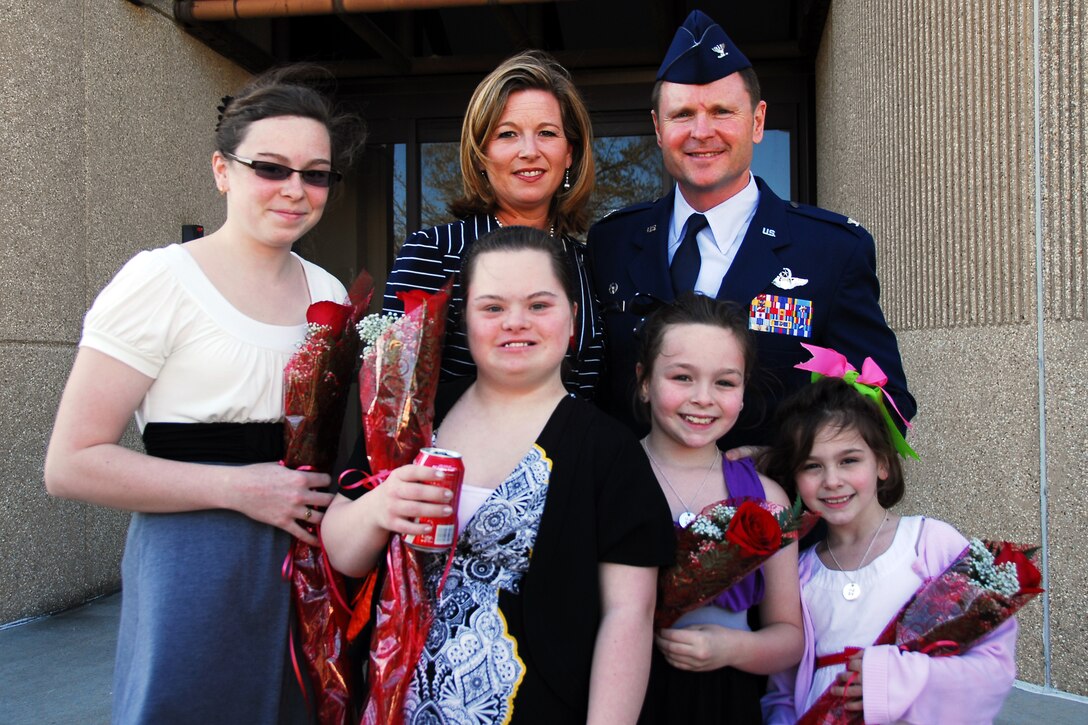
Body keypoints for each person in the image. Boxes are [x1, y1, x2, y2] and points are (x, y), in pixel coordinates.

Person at [44, 66, 363, 723]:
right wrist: (240, 488)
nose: (295, 190)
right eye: (270, 168)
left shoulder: (329, 294)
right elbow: (70, 462)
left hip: (304, 564)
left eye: (316, 173)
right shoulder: (160, 280)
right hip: (192, 566)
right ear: (223, 170)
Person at [323, 226, 674, 723]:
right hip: (394, 702)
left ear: (574, 318)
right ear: (465, 320)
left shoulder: (608, 449)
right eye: (492, 307)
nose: (515, 322)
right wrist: (381, 507)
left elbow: (628, 617)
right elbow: (343, 555)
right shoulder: (411, 417)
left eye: (538, 305)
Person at [587, 9, 914, 446]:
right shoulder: (612, 243)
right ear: (658, 129)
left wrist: (780, 461)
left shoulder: (830, 251)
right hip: (631, 507)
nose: (701, 132)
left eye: (722, 111)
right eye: (682, 114)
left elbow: (887, 405)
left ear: (757, 121)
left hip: (770, 508)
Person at [759, 377, 1017, 723]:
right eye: (812, 466)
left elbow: (992, 666)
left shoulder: (932, 544)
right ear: (794, 478)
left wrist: (892, 677)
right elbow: (783, 693)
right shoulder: (799, 572)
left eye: (849, 460)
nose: (832, 480)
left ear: (881, 464)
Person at [382, 49, 603, 398]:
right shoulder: (434, 254)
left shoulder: (589, 262)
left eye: (547, 133)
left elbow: (595, 389)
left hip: (577, 450)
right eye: (507, 134)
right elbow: (396, 398)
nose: (529, 151)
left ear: (570, 154)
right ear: (481, 156)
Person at [632, 293, 803, 723]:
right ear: (645, 382)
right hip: (623, 695)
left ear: (743, 393)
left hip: (725, 701)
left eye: (725, 382)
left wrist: (731, 648)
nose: (703, 398)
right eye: (682, 377)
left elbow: (789, 637)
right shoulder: (608, 480)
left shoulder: (765, 498)